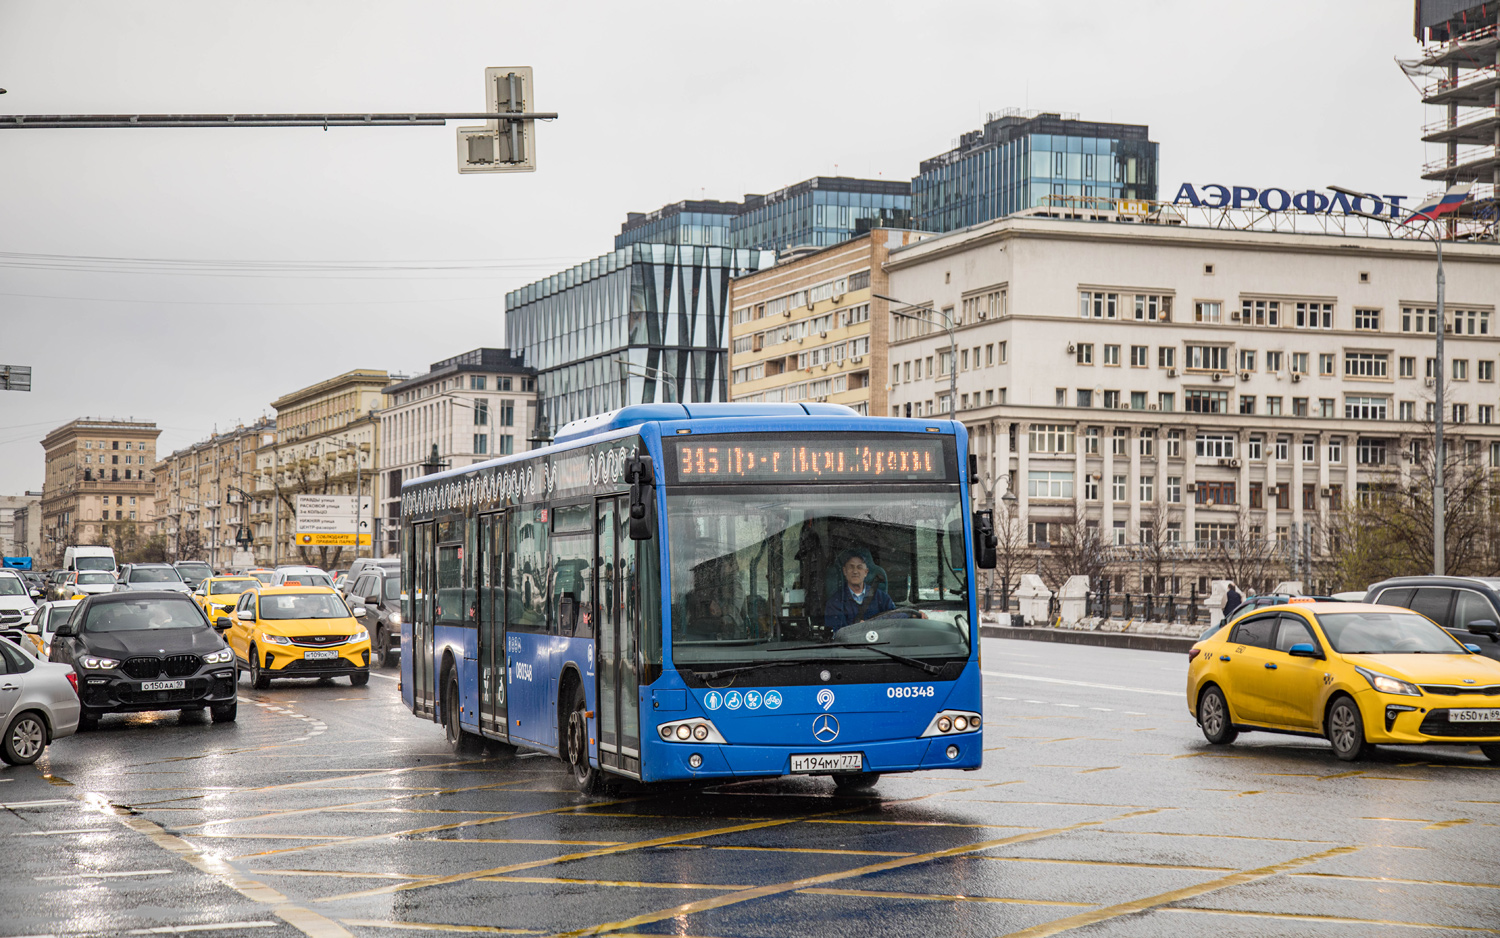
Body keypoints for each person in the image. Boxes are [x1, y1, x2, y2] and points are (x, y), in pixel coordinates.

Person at [824, 550, 895, 631]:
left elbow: (895, 621)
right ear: (844, 571)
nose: (855, 571)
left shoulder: (882, 598)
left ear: (866, 572)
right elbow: (836, 634)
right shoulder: (834, 603)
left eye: (859, 567)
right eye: (851, 567)